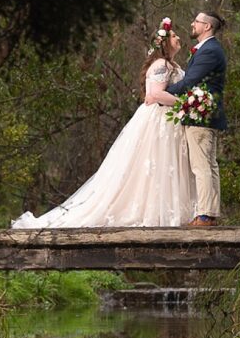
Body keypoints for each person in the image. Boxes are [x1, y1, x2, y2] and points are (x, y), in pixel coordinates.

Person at [11, 18, 195, 228]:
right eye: (173, 35)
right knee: (154, 165)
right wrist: (185, 103)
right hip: (158, 120)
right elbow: (154, 94)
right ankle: (155, 214)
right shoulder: (161, 64)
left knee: (165, 166)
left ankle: (170, 212)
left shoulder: (172, 65)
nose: (178, 37)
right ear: (163, 42)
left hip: (168, 120)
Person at [152, 11, 228, 227]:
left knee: (202, 165)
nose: (192, 24)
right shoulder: (208, 49)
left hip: (201, 115)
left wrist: (164, 91)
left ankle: (205, 215)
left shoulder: (210, 51)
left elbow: (191, 81)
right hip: (204, 114)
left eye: (196, 21)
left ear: (207, 27)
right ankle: (209, 213)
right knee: (209, 165)